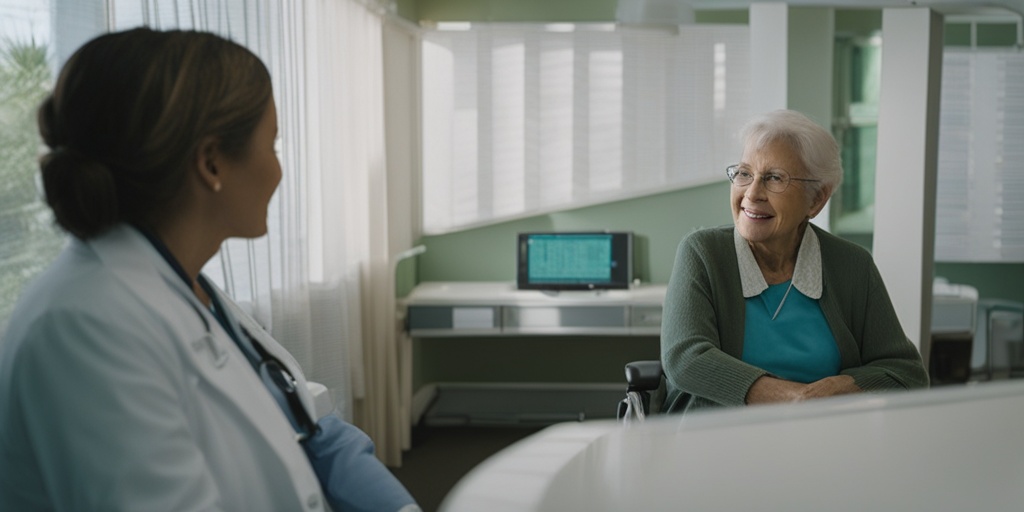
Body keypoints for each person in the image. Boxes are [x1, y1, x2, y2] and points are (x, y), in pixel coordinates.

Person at [0, 28, 419, 512]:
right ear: (212, 162)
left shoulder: (188, 288)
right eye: (273, 145)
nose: (279, 171)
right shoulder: (84, 327)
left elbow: (303, 420)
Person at [660, 109, 929, 414]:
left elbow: (906, 373)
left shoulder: (852, 265)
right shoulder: (703, 253)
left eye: (774, 178)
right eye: (745, 173)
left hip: (820, 442)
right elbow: (685, 359)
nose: (752, 193)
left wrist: (835, 388)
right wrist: (793, 399)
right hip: (718, 441)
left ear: (816, 200)